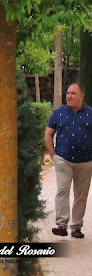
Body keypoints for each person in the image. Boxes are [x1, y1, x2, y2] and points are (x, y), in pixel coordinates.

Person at [45, 82, 92, 239]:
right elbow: (48, 135)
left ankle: (76, 227)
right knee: (62, 190)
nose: (69, 96)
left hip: (86, 162)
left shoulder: (90, 113)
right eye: (68, 93)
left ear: (82, 96)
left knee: (81, 195)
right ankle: (61, 225)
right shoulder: (58, 113)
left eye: (73, 93)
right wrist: (54, 157)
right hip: (63, 160)